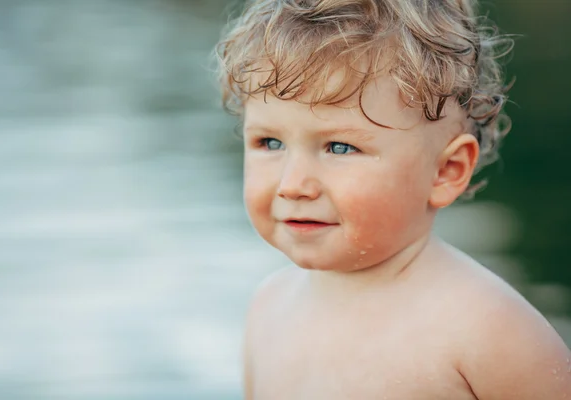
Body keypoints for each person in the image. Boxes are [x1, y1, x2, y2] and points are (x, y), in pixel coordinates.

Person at [215, 0, 571, 398]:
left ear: (445, 172)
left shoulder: (489, 330)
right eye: (271, 142)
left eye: (340, 147)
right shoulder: (268, 309)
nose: (293, 184)